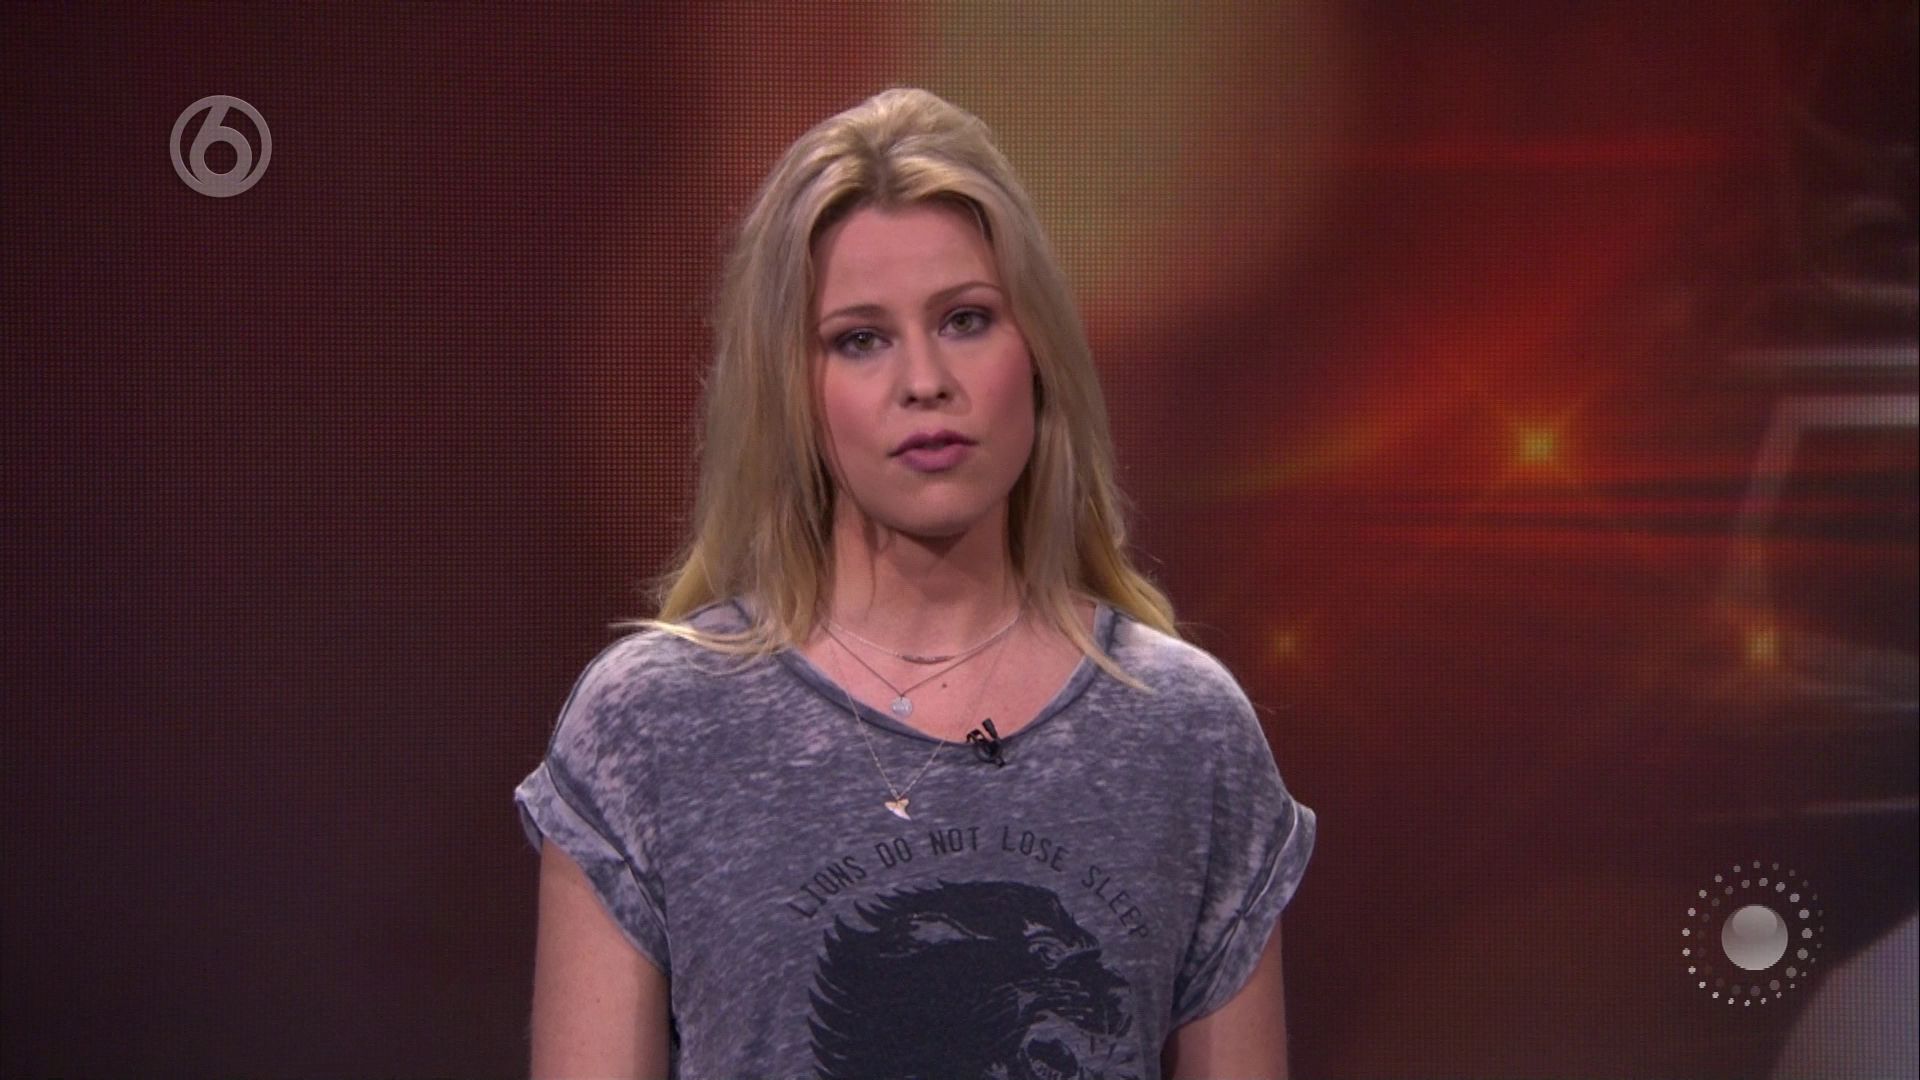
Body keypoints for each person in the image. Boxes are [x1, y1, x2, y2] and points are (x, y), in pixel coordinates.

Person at [515, 86, 1316, 1079]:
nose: (925, 380)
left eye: (967, 319)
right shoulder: (651, 729)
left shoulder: (1186, 733)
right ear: (793, 392)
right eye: (861, 338)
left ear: (1038, 357)